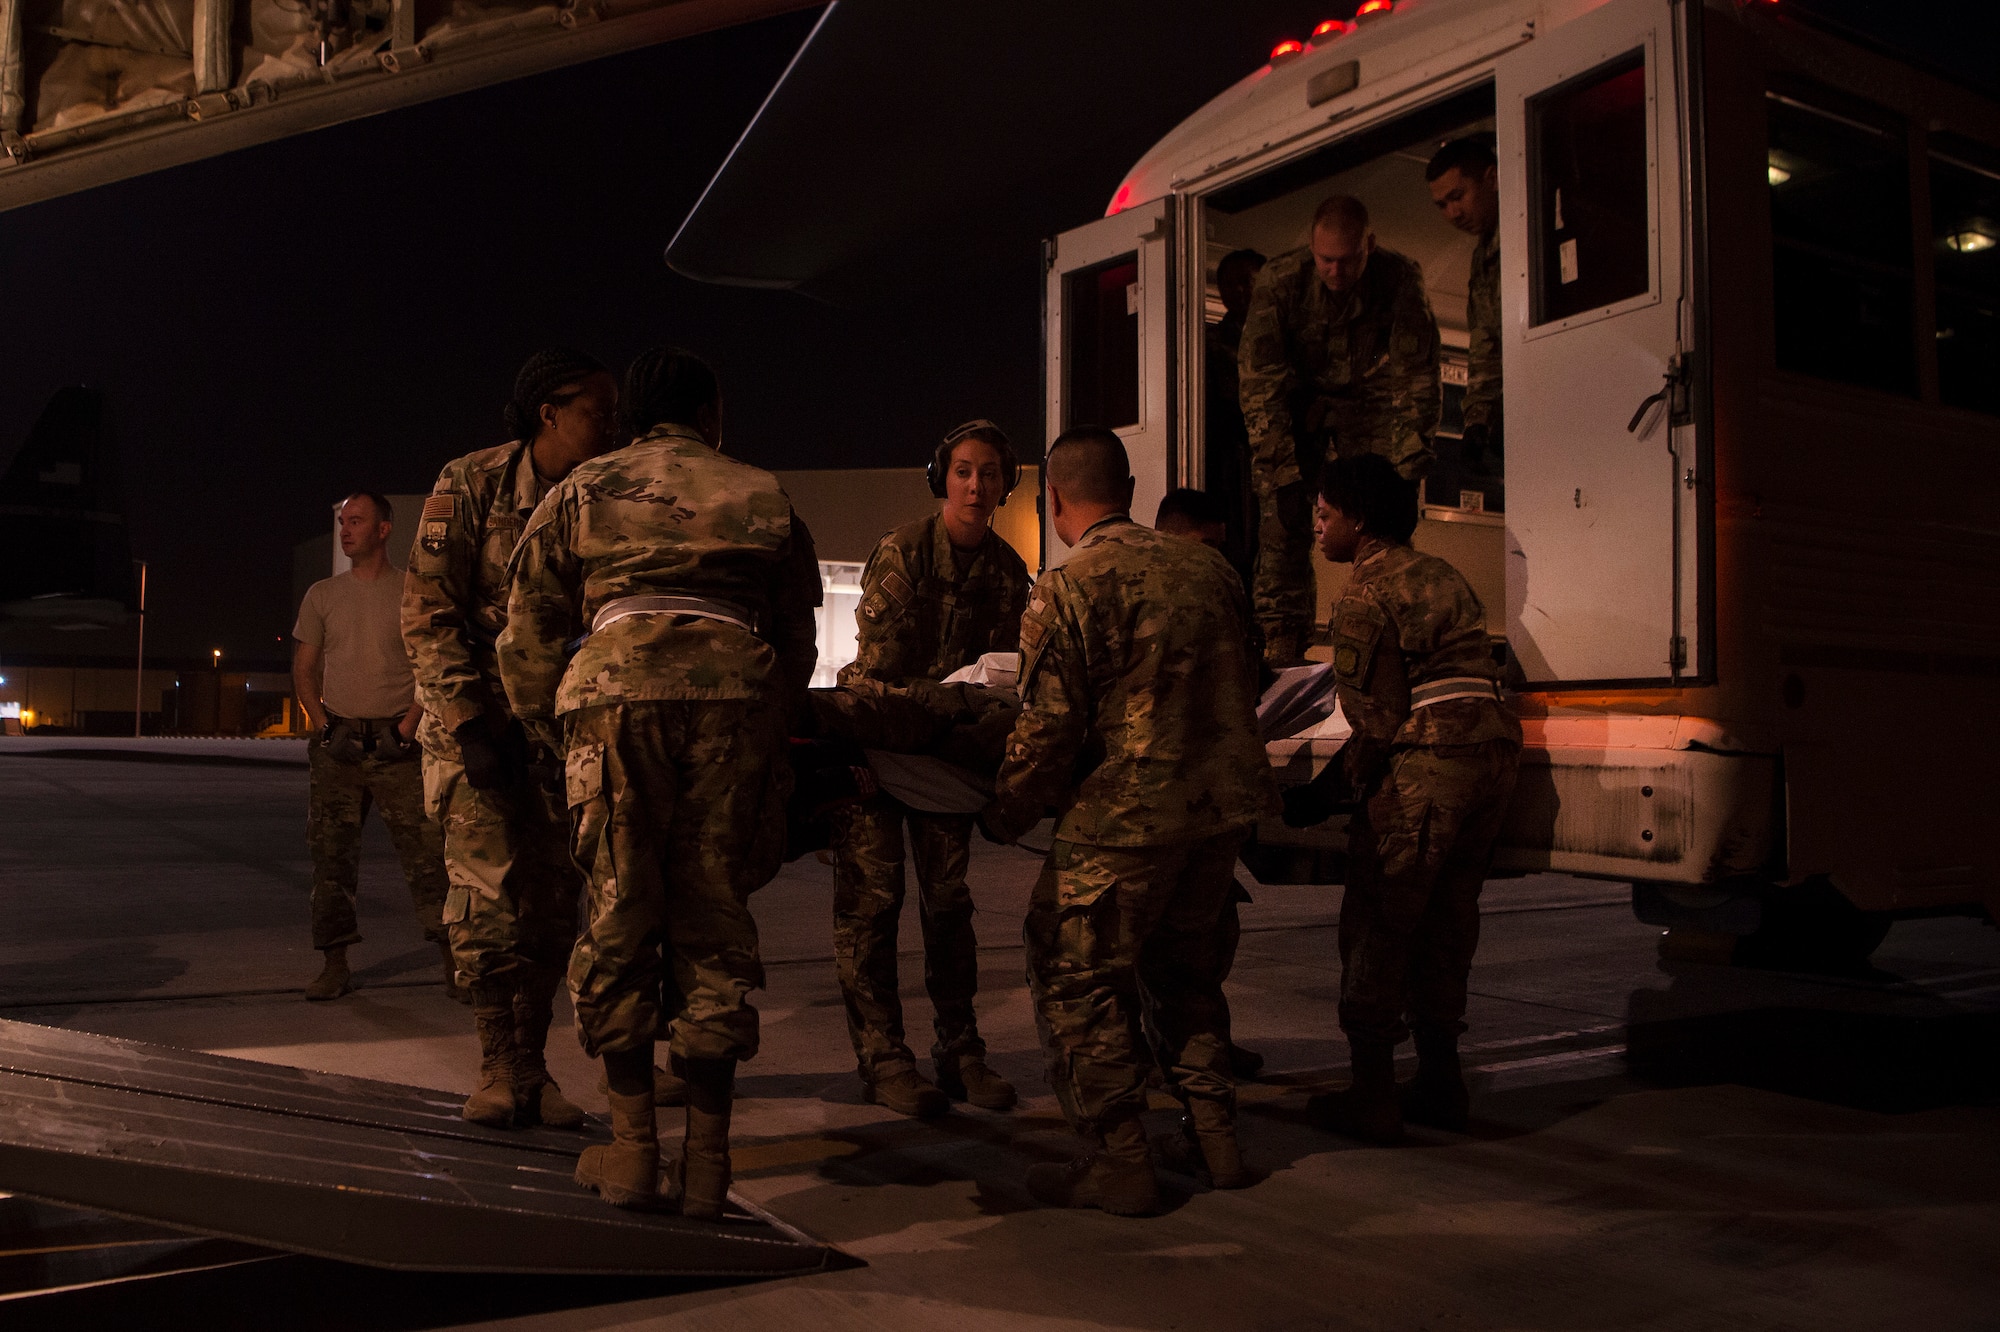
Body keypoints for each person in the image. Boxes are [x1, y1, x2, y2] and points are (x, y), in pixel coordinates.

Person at [499, 346, 820, 1218]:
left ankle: (634, 1154)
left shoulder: (584, 490)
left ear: (634, 416)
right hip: (734, 703)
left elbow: (525, 633)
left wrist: (551, 728)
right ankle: (710, 1169)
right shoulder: (761, 492)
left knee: (618, 912)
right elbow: (798, 637)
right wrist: (765, 716)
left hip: (614, 702)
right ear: (711, 413)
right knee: (714, 919)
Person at [982, 426, 1277, 1216]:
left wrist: (1003, 811)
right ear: (1132, 490)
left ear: (1053, 501)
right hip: (1216, 819)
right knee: (1187, 974)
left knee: (1076, 974)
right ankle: (1215, 1140)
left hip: (1123, 820)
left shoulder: (1067, 585)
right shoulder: (1212, 571)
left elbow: (1048, 730)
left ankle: (1118, 1158)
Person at [403, 347, 618, 1131]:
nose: (611, 423)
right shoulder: (471, 483)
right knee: (486, 901)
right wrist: (466, 725)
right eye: (597, 409)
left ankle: (534, 1065)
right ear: (549, 414)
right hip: (481, 727)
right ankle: (498, 1065)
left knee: (555, 907)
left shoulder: (609, 493)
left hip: (566, 730)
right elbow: (427, 611)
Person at [1280, 454, 1520, 1143]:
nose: (1317, 531)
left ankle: (1373, 1095)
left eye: (1324, 516)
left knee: (1379, 925)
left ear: (1357, 519)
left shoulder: (1364, 592)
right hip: (1492, 755)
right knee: (1448, 922)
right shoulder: (1443, 572)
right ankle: (1442, 1082)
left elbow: (1376, 721)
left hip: (1431, 763)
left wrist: (1317, 796)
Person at [832, 419, 1032, 1118]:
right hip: (879, 752)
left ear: (1007, 485)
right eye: (964, 472)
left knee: (949, 907)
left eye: (990, 474)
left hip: (944, 761)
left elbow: (1008, 683)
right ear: (941, 479)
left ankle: (961, 1051)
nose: (977, 486)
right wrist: (946, 701)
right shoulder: (905, 553)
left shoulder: (1009, 573)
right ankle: (884, 1058)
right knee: (872, 908)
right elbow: (873, 679)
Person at [1239, 194, 1442, 667]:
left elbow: (1417, 377)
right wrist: (1281, 471)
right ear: (1311, 248)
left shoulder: (1399, 278)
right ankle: (1280, 645)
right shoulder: (1280, 279)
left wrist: (1407, 472)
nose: (1334, 271)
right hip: (1296, 402)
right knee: (1283, 522)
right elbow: (1259, 381)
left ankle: (1393, 633)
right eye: (1324, 259)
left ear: (1368, 245)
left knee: (1381, 523)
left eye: (1346, 261)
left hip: (1368, 400)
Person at [295, 493, 453, 1003]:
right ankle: (334, 964)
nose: (345, 530)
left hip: (398, 747)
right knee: (331, 859)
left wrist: (406, 729)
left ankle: (453, 958)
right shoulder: (322, 594)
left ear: (384, 529)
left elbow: (433, 667)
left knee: (429, 856)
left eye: (356, 521)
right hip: (338, 746)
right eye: (342, 522)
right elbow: (303, 669)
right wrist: (323, 726)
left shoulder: (414, 592)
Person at [1152, 486, 1269, 1084]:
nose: (1217, 563)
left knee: (1210, 937)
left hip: (1214, 801)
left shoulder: (1227, 599)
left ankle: (1206, 1047)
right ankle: (1159, 1058)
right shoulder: (1146, 599)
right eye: (1205, 548)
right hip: (1155, 803)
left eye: (1223, 551)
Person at [1426, 136, 1502, 476]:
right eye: (1441, 205)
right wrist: (1476, 424)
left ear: (1493, 178)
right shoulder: (1483, 257)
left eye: (1458, 196)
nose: (1452, 213)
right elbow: (1487, 345)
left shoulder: (1534, 233)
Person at [1204, 248, 1267, 580]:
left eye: (1247, 281)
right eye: (1230, 283)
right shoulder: (1207, 342)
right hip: (1227, 461)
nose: (1239, 290)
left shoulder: (1282, 341)